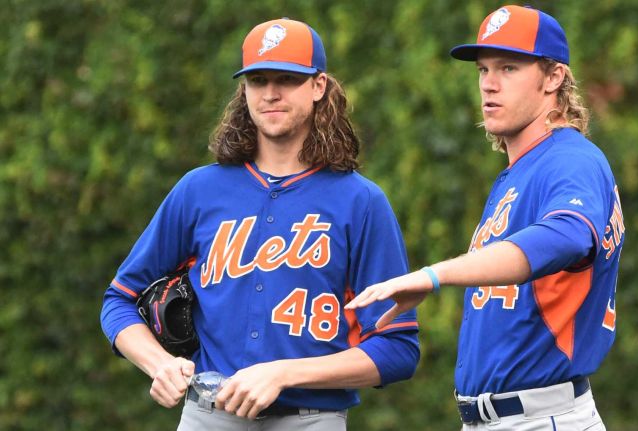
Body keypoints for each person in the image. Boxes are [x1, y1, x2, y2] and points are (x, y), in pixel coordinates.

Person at [100, 17, 419, 431]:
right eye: (257, 79)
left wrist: (285, 373)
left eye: (287, 79)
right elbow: (119, 300)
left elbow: (397, 349)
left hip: (311, 418)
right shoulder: (200, 190)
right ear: (244, 89)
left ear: (318, 86)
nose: (270, 93)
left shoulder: (360, 202)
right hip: (208, 415)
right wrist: (158, 363)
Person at [346, 5, 624, 430]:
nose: (489, 85)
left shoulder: (570, 158)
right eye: (483, 70)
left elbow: (568, 236)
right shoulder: (524, 170)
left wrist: (434, 275)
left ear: (554, 77)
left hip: (541, 416)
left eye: (509, 68)